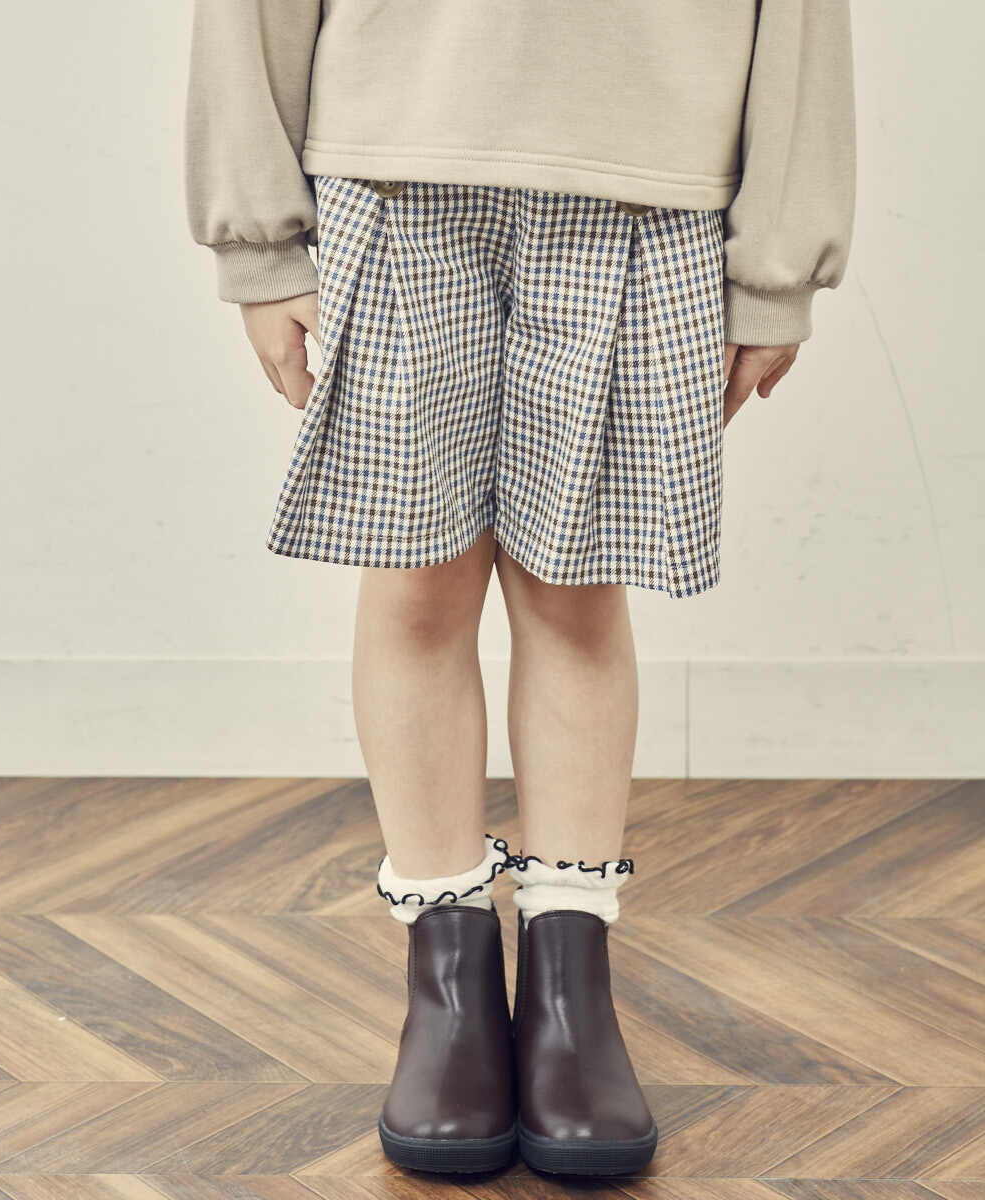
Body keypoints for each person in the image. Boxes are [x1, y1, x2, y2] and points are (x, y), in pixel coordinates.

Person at [183, 0, 856, 1177]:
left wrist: (778, 262)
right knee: (417, 584)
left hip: (646, 183)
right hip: (393, 170)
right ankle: (447, 983)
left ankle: (568, 987)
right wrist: (259, 241)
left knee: (577, 591)